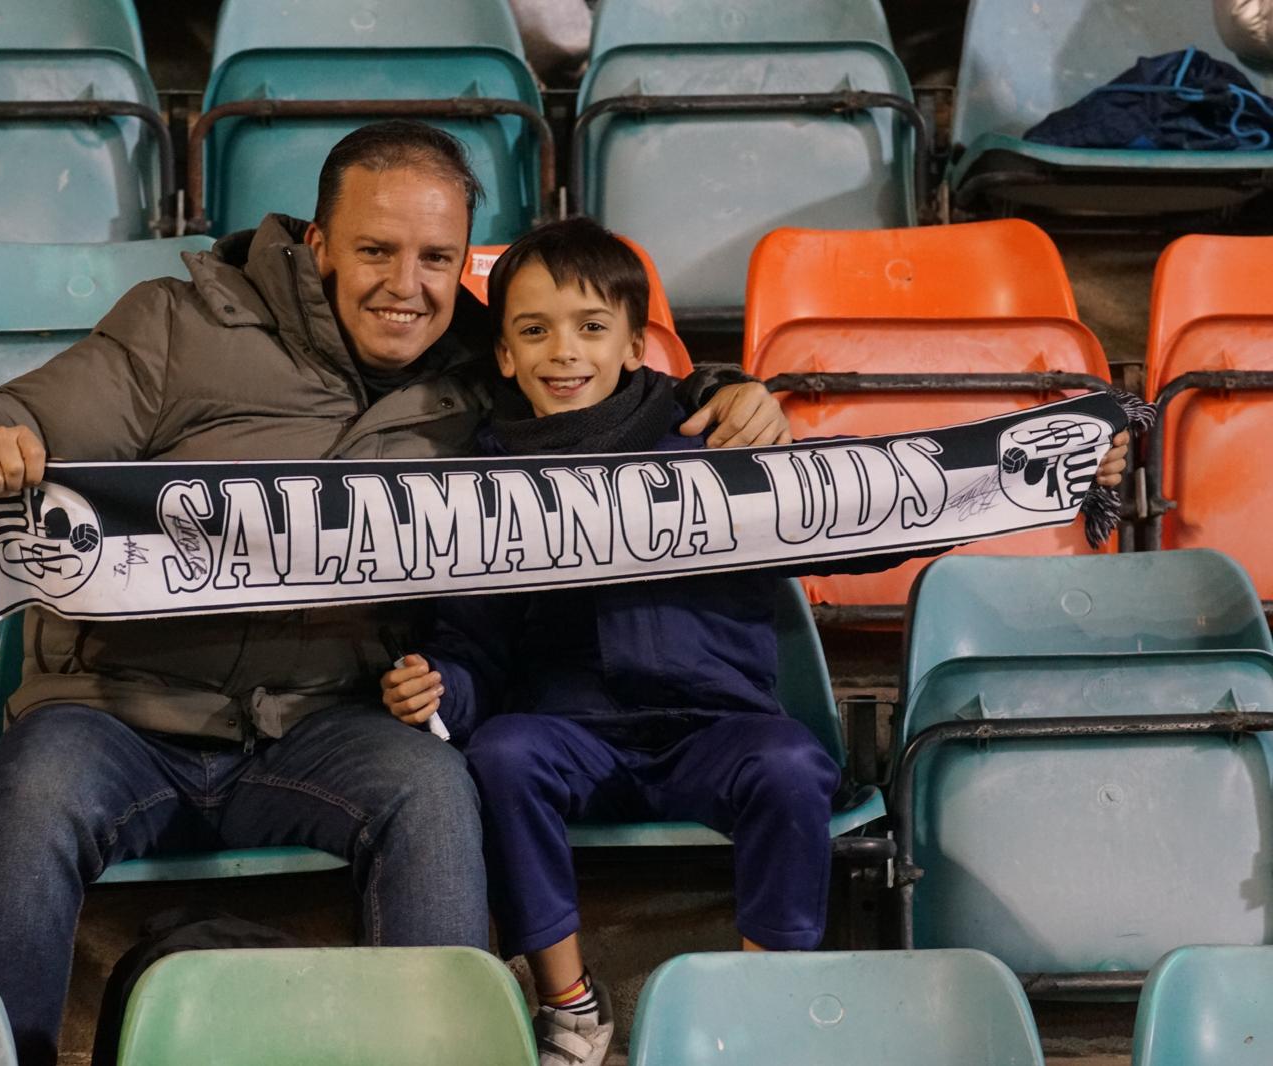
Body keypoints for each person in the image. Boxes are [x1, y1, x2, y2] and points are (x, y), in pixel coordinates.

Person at [0, 121, 795, 1065]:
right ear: (318, 242)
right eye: (377, 250)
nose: (407, 286)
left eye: (437, 258)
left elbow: (617, 402)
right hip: (120, 714)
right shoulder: (177, 322)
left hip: (334, 722)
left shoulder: (480, 362)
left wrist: (734, 391)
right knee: (34, 792)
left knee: (435, 790)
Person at [379, 217, 1131, 1066]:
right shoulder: (481, 485)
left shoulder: (714, 436)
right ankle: (571, 1005)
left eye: (591, 327)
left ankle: (760, 1003)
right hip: (569, 735)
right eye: (534, 330)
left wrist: (1054, 465)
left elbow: (868, 505)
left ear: (635, 346)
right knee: (503, 755)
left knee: (791, 764)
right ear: (505, 356)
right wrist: (442, 687)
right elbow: (471, 644)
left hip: (716, 725)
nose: (564, 351)